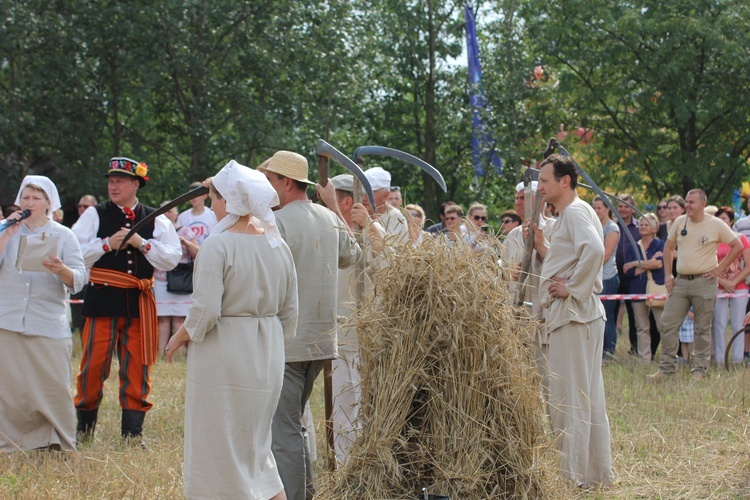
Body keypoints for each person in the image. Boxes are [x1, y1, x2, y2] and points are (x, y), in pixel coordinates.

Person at [165, 160, 297, 500]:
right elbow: (290, 309)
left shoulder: (218, 244)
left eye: (213, 198)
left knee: (219, 443)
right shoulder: (276, 244)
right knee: (256, 445)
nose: (211, 205)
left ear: (229, 201)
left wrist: (182, 334)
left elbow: (206, 309)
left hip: (225, 351)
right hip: (267, 351)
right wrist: (272, 343)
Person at [258, 150, 360, 499]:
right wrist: (334, 209)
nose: (267, 188)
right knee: (294, 425)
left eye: (270, 181)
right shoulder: (329, 217)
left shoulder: (278, 221)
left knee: (283, 431)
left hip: (288, 342)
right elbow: (353, 254)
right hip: (321, 341)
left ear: (287, 182)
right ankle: (308, 492)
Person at [72, 157, 181, 443]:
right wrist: (107, 244)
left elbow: (171, 258)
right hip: (102, 299)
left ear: (136, 184)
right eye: (110, 181)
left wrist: (141, 244)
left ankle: (132, 435)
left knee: (137, 368)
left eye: (120, 181)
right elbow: (73, 251)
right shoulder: (95, 215)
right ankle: (84, 431)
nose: (113, 185)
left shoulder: (155, 217)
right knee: (93, 366)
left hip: (138, 303)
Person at [535, 154, 613, 487]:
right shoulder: (571, 214)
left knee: (571, 398)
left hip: (575, 316)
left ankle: (573, 477)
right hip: (578, 316)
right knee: (587, 396)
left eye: (544, 181)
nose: (540, 187)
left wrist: (572, 288)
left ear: (564, 181)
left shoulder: (577, 211)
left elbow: (595, 249)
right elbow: (575, 252)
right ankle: (595, 475)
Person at [0, 176, 86, 452]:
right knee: (10, 389)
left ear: (49, 203)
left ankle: (58, 442)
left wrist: (61, 270)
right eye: (25, 197)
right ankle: (11, 443)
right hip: (8, 320)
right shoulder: (6, 231)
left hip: (48, 323)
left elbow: (80, 278)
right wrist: (7, 235)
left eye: (36, 198)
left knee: (53, 387)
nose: (30, 203)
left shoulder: (64, 235)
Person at [648, 189, 742, 381]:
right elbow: (668, 248)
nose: (688, 206)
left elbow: (738, 246)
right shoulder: (680, 223)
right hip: (681, 281)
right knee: (667, 323)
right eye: (687, 202)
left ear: (702, 204)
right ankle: (666, 369)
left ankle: (700, 371)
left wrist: (719, 269)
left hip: (705, 281)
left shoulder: (715, 224)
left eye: (691, 202)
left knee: (702, 327)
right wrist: (668, 274)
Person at [622, 213, 665, 362]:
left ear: (655, 228)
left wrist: (636, 263)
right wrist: (649, 263)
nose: (642, 226)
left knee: (662, 326)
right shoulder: (632, 246)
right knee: (641, 327)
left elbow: (659, 264)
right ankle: (644, 359)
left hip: (657, 289)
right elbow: (628, 271)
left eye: (646, 224)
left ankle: (668, 358)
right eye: (641, 224)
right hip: (637, 290)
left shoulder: (661, 244)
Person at [153, 205, 195, 357]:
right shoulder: (156, 231)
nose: (166, 213)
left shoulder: (186, 231)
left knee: (180, 319)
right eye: (163, 210)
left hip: (181, 280)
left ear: (176, 214)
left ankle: (177, 355)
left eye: (169, 210)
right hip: (161, 279)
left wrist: (185, 242)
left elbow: (198, 252)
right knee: (163, 319)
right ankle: (161, 353)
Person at [712, 207, 750, 365]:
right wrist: (723, 282)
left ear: (731, 221)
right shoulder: (713, 241)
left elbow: (748, 265)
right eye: (719, 218)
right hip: (718, 286)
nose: (722, 221)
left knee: (738, 324)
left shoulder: (740, 238)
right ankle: (720, 361)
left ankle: (737, 360)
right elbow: (708, 265)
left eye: (725, 219)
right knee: (719, 324)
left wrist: (733, 282)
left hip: (739, 287)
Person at [592, 195, 620, 358]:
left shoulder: (612, 228)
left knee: (607, 317)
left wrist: (587, 269)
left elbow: (606, 254)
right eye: (594, 208)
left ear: (608, 208)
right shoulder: (594, 226)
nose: (596, 211)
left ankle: (609, 352)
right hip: (595, 277)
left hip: (607, 277)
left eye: (599, 208)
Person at [614, 193, 641, 356]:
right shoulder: (611, 225)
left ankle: (635, 348)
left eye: (626, 206)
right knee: (611, 313)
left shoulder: (640, 227)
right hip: (614, 275)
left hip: (634, 277)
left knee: (634, 314)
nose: (623, 209)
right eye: (620, 206)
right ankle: (609, 349)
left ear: (633, 209)